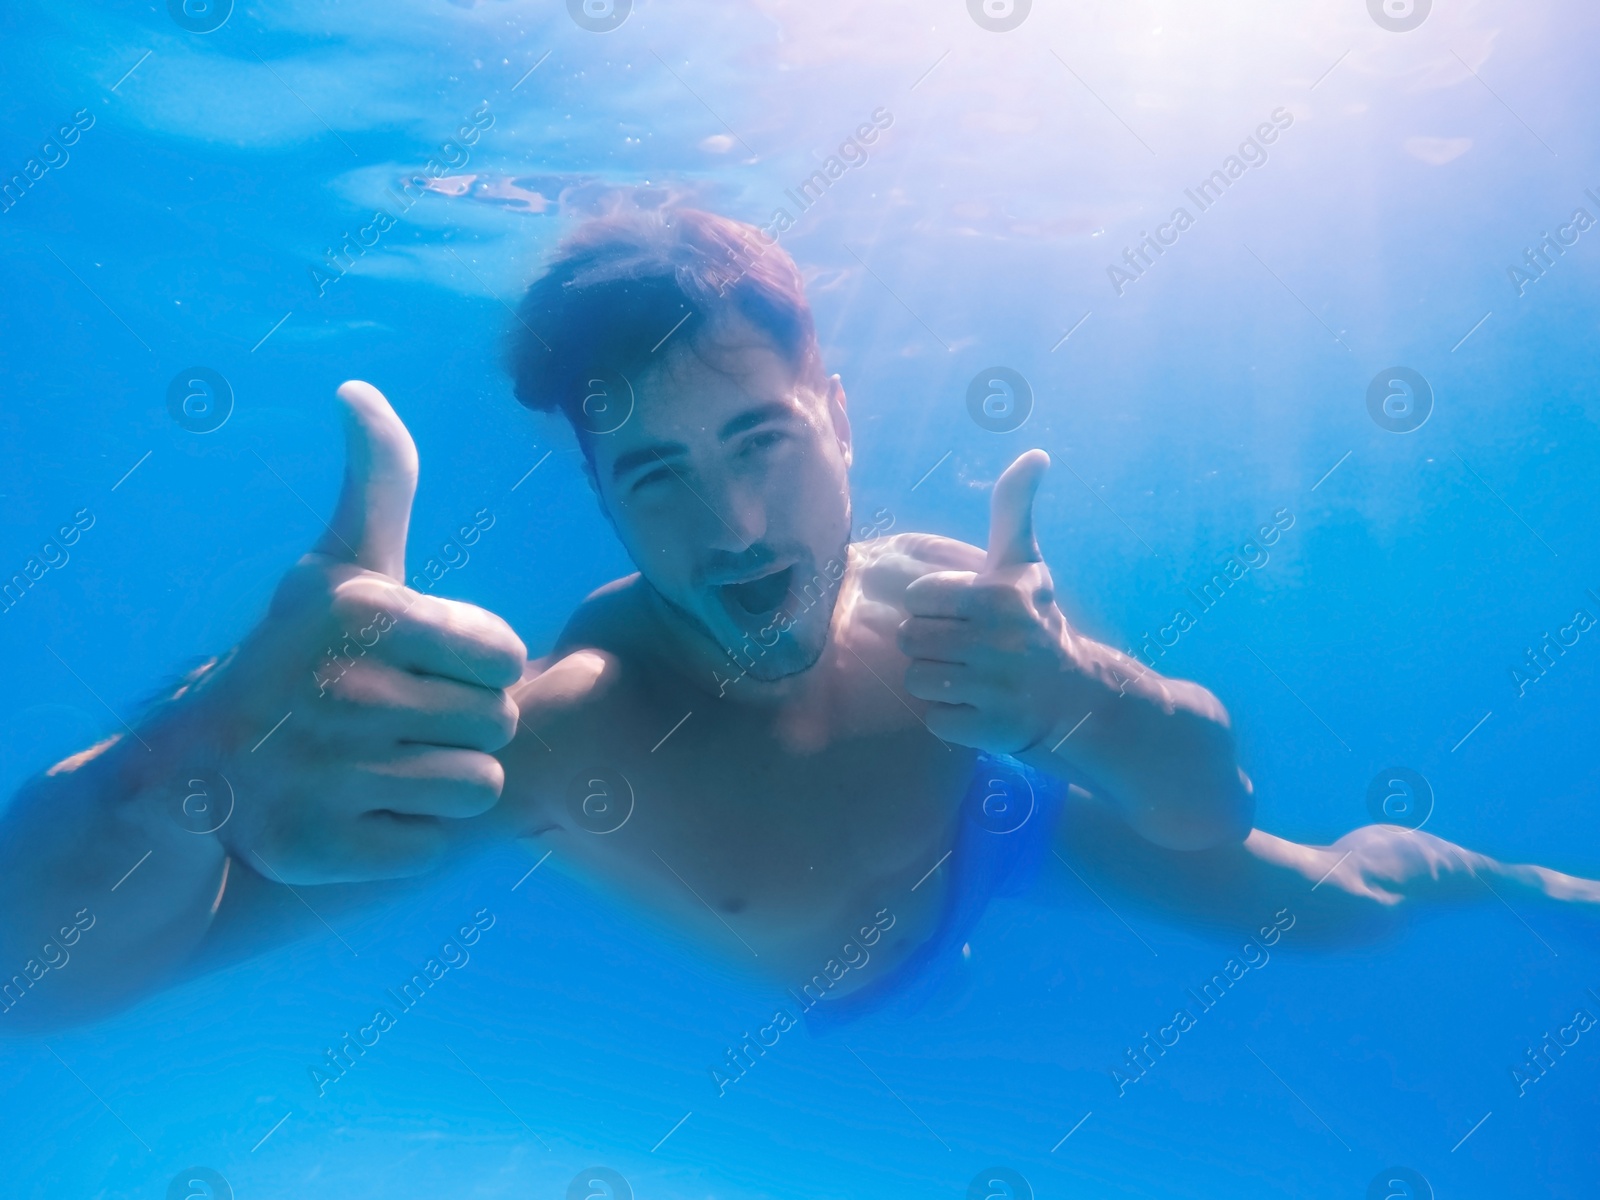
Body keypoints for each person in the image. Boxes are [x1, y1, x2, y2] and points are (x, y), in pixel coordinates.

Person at [1, 208, 1594, 1034]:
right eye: (657, 471)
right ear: (607, 501)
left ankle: (1523, 878)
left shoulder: (955, 621)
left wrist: (1082, 702)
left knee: (1343, 908)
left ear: (837, 412)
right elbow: (46, 991)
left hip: (1004, 811)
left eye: (761, 440)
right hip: (869, 962)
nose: (738, 529)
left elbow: (1210, 812)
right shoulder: (557, 735)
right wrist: (182, 768)